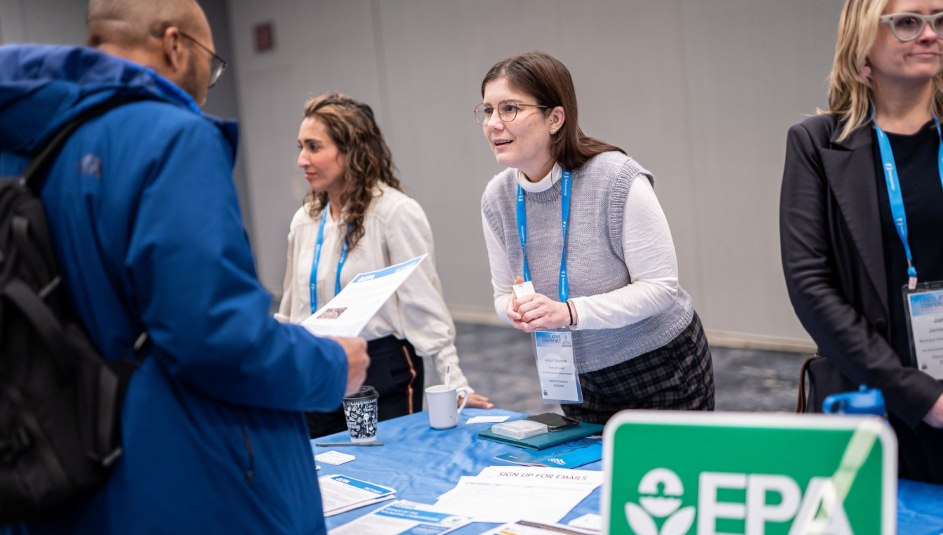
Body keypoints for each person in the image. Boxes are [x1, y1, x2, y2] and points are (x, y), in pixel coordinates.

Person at [0, 0, 369, 533]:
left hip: (54, 466)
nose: (208, 84)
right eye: (211, 64)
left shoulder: (24, 143)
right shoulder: (170, 137)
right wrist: (332, 365)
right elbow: (217, 338)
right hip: (179, 477)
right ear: (175, 45)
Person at [477, 52, 714, 424]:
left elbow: (661, 287)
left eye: (509, 108)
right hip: (576, 373)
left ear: (555, 118)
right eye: (488, 110)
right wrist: (513, 310)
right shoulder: (497, 198)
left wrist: (569, 312)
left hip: (659, 362)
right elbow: (501, 294)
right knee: (589, 463)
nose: (493, 123)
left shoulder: (615, 179)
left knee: (666, 463)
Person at [781, 0, 943, 483]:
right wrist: (920, 396)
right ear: (862, 44)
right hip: (871, 396)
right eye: (908, 22)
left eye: (940, 20)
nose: (930, 34)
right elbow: (811, 286)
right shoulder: (816, 144)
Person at [278, 92, 492, 437]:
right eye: (301, 147)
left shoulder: (394, 213)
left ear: (351, 150)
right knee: (325, 465)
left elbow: (424, 304)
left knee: (382, 464)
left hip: (378, 372)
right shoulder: (305, 220)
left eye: (314, 147)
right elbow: (291, 307)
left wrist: (454, 381)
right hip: (316, 370)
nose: (302, 159)